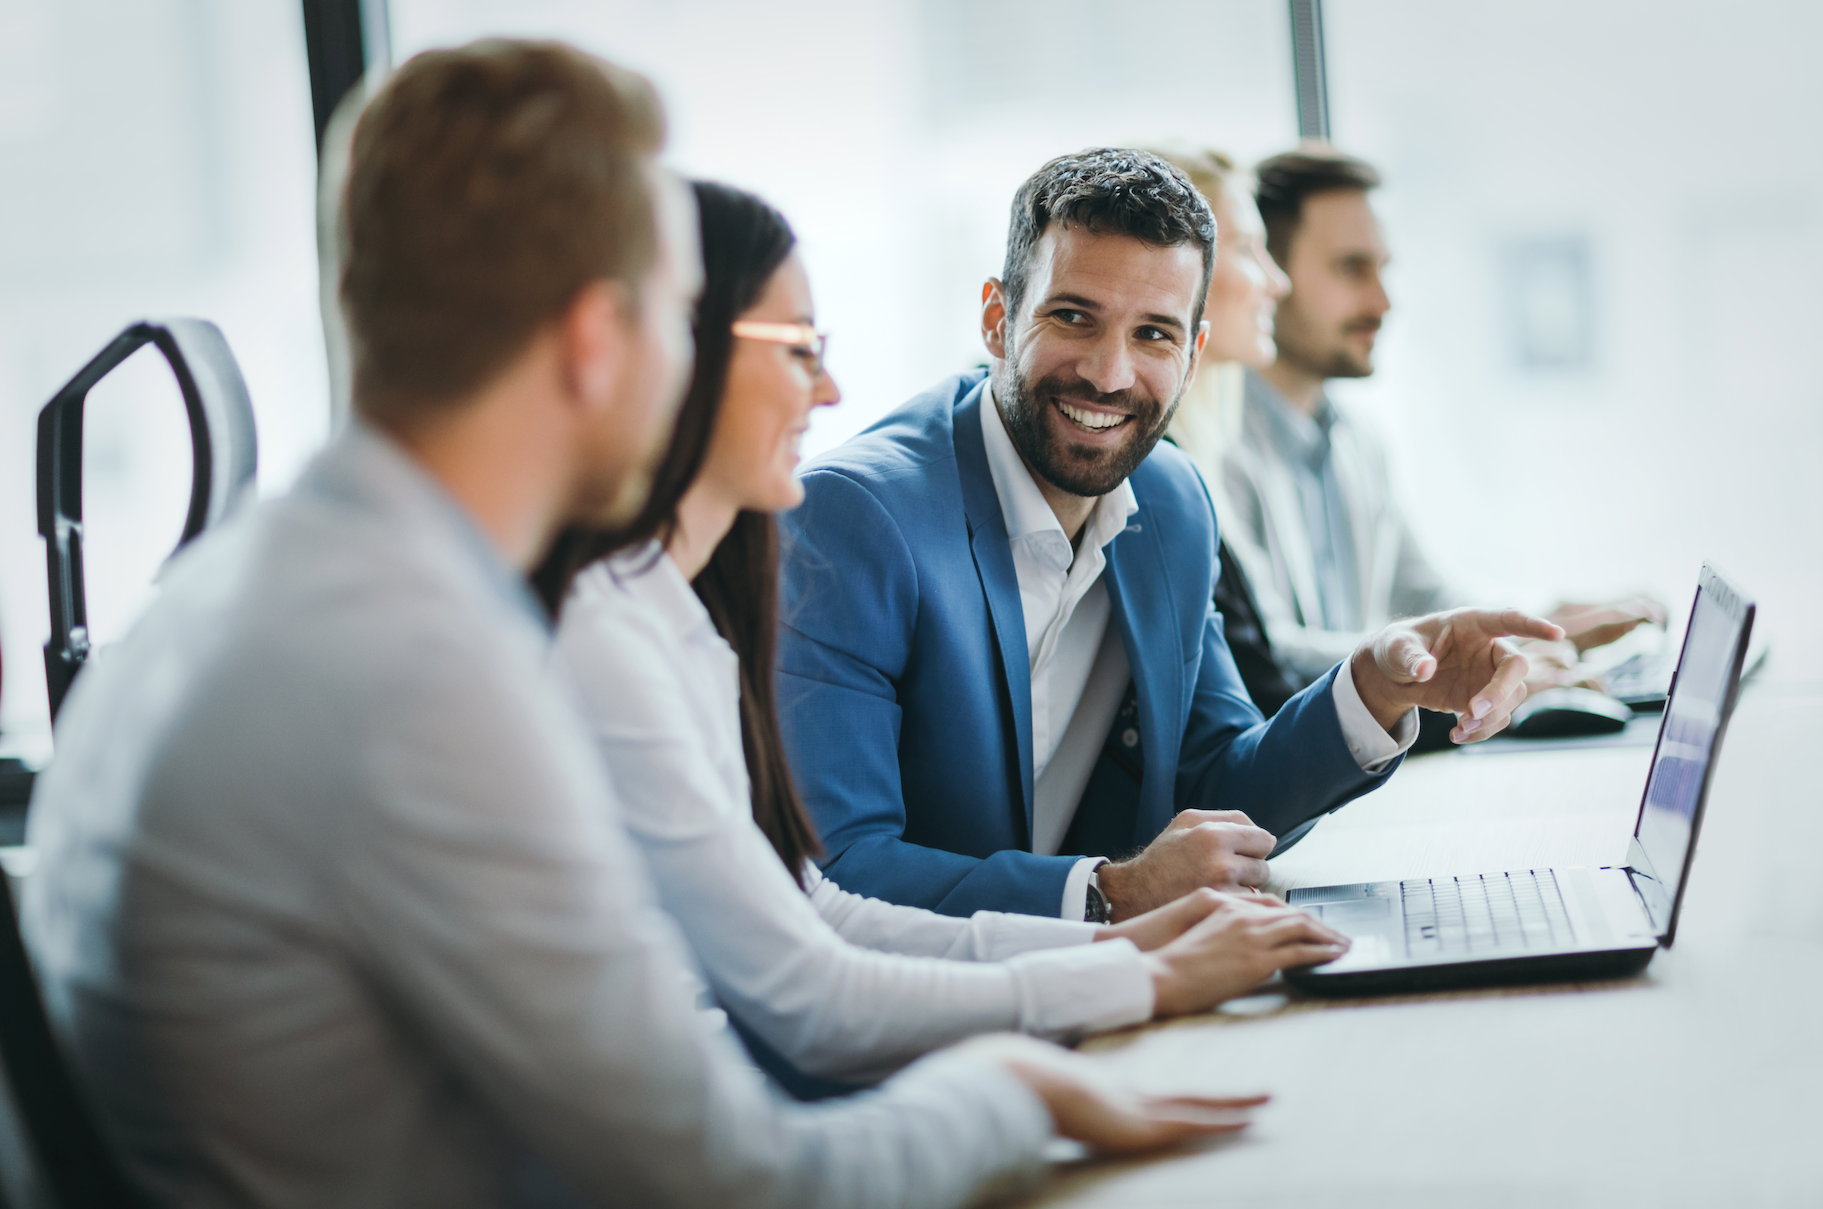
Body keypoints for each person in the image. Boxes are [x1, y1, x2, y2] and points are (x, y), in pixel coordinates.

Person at [21, 45, 1261, 1209]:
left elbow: (789, 939)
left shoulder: (299, 584)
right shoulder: (428, 669)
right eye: (680, 316)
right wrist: (1014, 1087)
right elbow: (735, 1175)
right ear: (595, 339)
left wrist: (1102, 974)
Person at [537, 181, 1350, 1100]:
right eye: (798, 346)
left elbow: (815, 926)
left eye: (1154, 334)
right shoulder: (814, 534)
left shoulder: (667, 619)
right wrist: (1117, 952)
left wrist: (1125, 952)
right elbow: (814, 959)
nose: (1111, 372)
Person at [776, 148, 1562, 926]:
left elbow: (1221, 782)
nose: (1109, 374)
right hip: (909, 1025)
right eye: (1073, 316)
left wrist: (1376, 686)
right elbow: (837, 872)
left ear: (1192, 354)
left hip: (1096, 997)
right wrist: (1111, 893)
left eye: (1153, 334)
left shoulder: (1172, 500)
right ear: (996, 316)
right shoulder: (852, 519)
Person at [1222, 146, 1664, 706]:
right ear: (1272, 276)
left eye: (1383, 270)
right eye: (1352, 268)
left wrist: (1543, 620)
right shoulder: (1216, 450)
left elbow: (1424, 596)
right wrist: (1459, 663)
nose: (1383, 302)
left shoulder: (1358, 441)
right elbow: (1269, 660)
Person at [1149, 147, 1304, 717]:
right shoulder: (1155, 475)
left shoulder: (1207, 454)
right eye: (1246, 250)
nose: (1277, 281)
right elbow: (1263, 685)